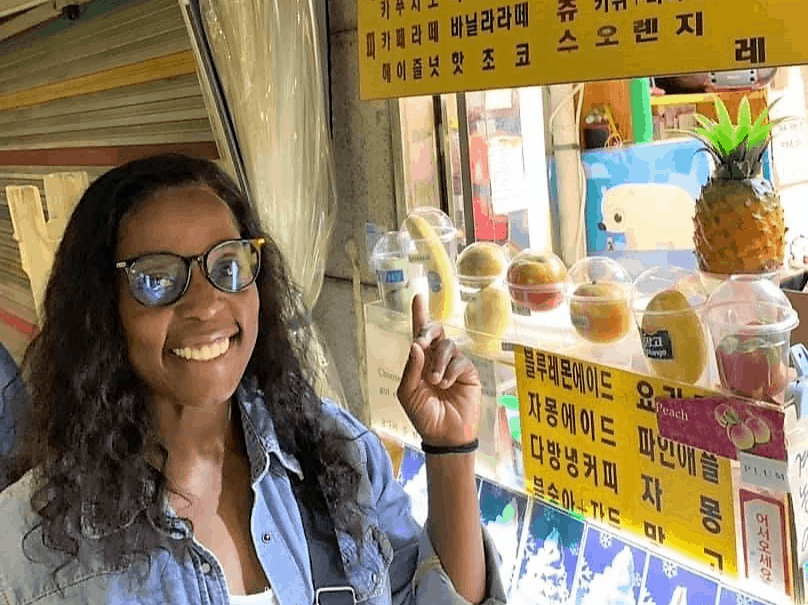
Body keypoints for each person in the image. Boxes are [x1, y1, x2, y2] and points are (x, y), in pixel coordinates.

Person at [0, 154, 506, 604]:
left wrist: (451, 451)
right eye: (156, 279)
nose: (206, 304)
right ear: (102, 311)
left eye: (229, 264)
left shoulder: (337, 452)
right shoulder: (28, 549)